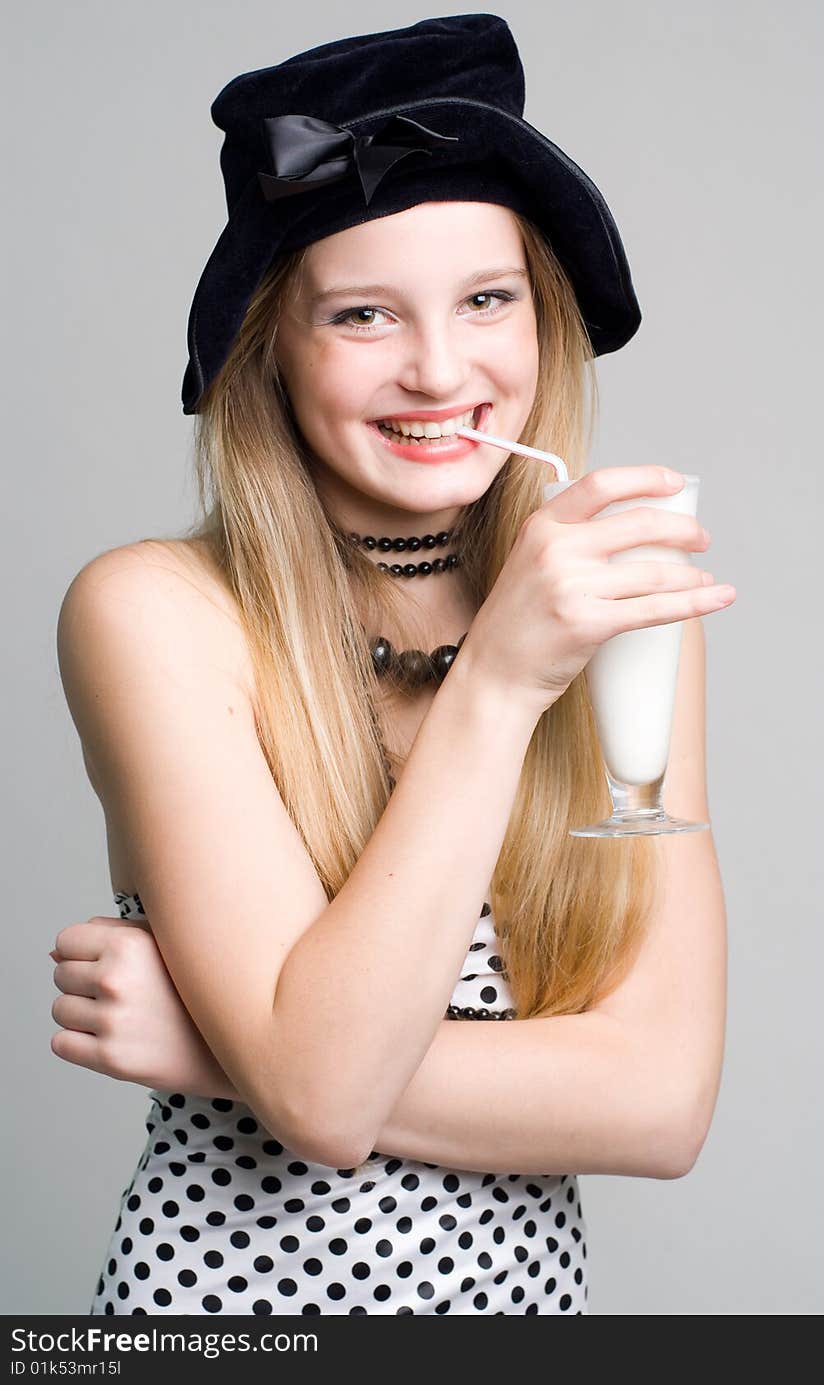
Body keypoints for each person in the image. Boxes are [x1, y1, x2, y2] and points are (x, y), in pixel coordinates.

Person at [49, 14, 734, 1316]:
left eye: (487, 298)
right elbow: (317, 1098)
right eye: (363, 313)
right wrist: (500, 684)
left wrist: (220, 1052)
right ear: (272, 347)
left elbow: (662, 1100)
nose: (440, 368)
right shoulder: (156, 611)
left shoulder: (628, 615)